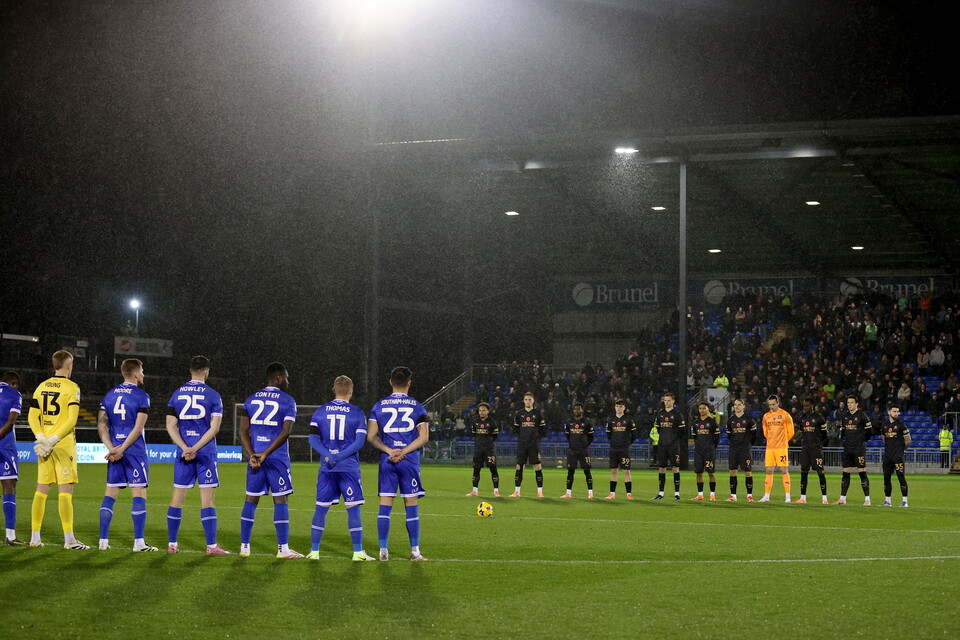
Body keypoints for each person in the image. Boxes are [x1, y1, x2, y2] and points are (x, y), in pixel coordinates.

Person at [308, 375, 376, 561]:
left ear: (333, 390)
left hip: (327, 468)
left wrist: (329, 455)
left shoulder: (320, 412)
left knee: (320, 509)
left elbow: (313, 439)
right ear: (351, 392)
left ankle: (314, 552)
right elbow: (359, 442)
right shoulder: (357, 413)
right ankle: (357, 552)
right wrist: (339, 456)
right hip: (348, 468)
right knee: (353, 509)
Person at [165, 356, 228, 554]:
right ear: (206, 371)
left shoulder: (176, 394)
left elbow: (170, 425)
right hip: (205, 453)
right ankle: (211, 546)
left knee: (177, 497)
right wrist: (197, 448)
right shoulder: (213, 395)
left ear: (190, 370)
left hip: (183, 453)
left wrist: (185, 447)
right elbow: (214, 428)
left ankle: (172, 544)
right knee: (207, 500)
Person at [238, 362, 301, 558]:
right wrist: (265, 454)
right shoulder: (288, 401)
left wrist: (253, 455)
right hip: (277, 458)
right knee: (280, 500)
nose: (288, 382)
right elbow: (286, 432)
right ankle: (283, 549)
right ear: (279, 378)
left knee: (251, 499)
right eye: (287, 377)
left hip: (255, 458)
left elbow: (243, 431)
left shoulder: (250, 400)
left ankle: (244, 548)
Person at [367, 366, 430, 562]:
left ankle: (383, 551)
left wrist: (389, 451)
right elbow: (424, 437)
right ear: (409, 383)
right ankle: (415, 552)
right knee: (411, 507)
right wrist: (403, 451)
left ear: (390, 382)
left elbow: (371, 436)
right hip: (409, 461)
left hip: (388, 460)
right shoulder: (418, 407)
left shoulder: (378, 406)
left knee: (385, 506)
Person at [27, 350, 88, 549]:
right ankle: (69, 540)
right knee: (66, 490)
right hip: (62, 445)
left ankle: (35, 538)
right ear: (68, 365)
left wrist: (41, 438)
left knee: (41, 489)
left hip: (43, 446)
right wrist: (53, 440)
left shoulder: (41, 386)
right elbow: (71, 419)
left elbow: (31, 417)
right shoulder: (72, 387)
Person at [96, 359, 157, 551]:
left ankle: (103, 541)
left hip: (115, 451)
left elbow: (101, 425)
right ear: (136, 374)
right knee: (139, 493)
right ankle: (139, 543)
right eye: (143, 372)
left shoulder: (109, 395)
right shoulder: (142, 396)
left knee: (110, 494)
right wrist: (121, 450)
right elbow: (138, 429)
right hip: (134, 451)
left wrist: (112, 448)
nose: (144, 375)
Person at [835, 396, 875, 506]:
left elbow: (869, 432)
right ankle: (842, 499)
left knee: (862, 473)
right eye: (848, 402)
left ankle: (867, 499)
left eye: (852, 402)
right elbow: (842, 432)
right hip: (848, 448)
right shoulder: (845, 417)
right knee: (845, 473)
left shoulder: (862, 416)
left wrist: (862, 441)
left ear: (857, 404)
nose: (849, 404)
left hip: (859, 449)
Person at [0, 372, 25, 545]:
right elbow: (11, 421)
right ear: (14, 383)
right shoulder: (14, 394)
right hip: (5, 445)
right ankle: (10, 535)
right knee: (9, 486)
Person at [510, 392, 546, 498]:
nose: (528, 401)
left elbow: (543, 429)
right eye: (526, 399)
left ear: (533, 401)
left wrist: (535, 437)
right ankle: (517, 491)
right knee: (519, 466)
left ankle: (540, 492)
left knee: (537, 466)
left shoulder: (538, 413)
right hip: (522, 444)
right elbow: (515, 429)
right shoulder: (519, 414)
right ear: (523, 401)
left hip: (534, 444)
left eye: (530, 399)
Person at [760, 395, 794, 503]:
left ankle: (788, 496)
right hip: (770, 448)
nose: (771, 407)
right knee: (769, 470)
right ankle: (766, 496)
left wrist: (783, 441)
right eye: (769, 405)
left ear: (778, 402)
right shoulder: (766, 416)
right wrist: (771, 440)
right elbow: (765, 431)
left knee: (784, 470)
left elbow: (791, 432)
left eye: (773, 404)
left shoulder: (785, 415)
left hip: (781, 448)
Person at [795, 398, 828, 504]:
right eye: (804, 405)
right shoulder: (801, 418)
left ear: (812, 406)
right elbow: (801, 433)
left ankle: (824, 498)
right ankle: (803, 497)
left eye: (807, 405)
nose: (805, 407)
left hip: (816, 449)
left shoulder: (819, 418)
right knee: (804, 472)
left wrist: (818, 444)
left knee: (820, 472)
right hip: (805, 449)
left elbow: (824, 435)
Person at [653, 392, 685, 500]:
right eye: (665, 400)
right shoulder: (660, 413)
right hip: (662, 445)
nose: (666, 402)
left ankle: (677, 493)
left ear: (673, 401)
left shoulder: (677, 414)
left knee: (675, 468)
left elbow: (682, 431)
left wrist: (673, 439)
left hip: (673, 446)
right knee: (662, 468)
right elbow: (658, 429)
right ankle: (661, 493)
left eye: (669, 400)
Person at [604, 399, 637, 500]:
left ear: (624, 408)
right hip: (614, 449)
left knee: (626, 470)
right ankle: (612, 493)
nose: (619, 408)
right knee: (614, 470)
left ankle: (629, 494)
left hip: (624, 449)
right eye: (617, 406)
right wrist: (614, 443)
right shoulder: (611, 420)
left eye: (621, 406)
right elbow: (608, 435)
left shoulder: (628, 420)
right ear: (615, 407)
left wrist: (626, 444)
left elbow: (634, 435)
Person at [725, 398, 756, 502]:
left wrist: (748, 443)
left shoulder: (749, 420)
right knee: (732, 471)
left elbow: (754, 434)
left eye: (739, 405)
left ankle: (749, 496)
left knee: (747, 472)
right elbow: (729, 435)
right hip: (734, 449)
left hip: (745, 449)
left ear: (743, 406)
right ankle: (733, 495)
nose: (737, 406)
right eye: (735, 405)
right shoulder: (730, 420)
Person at [466, 402, 500, 498]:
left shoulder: (492, 422)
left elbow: (495, 436)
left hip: (489, 450)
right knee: (476, 470)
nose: (481, 412)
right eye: (480, 410)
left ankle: (496, 491)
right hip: (478, 450)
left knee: (493, 469)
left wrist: (487, 443)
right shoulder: (475, 422)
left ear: (488, 411)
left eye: (483, 410)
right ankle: (474, 491)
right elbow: (473, 434)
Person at [561, 402, 594, 498]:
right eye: (575, 409)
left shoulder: (587, 422)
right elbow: (568, 435)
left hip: (583, 451)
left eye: (578, 409)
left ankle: (590, 493)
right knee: (570, 471)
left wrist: (585, 445)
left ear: (582, 410)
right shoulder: (568, 422)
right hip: (572, 451)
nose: (576, 410)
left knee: (587, 471)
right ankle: (568, 493)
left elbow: (591, 436)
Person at [880, 405, 910, 507]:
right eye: (894, 411)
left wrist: (901, 449)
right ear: (889, 412)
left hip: (898, 456)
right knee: (886, 478)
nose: (896, 413)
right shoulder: (884, 425)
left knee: (901, 477)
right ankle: (888, 501)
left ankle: (905, 501)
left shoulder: (901, 425)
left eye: (897, 411)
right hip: (888, 456)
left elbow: (908, 440)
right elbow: (884, 438)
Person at [691, 402, 720, 501]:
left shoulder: (712, 422)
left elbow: (717, 437)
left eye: (704, 408)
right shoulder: (695, 422)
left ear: (708, 409)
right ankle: (700, 495)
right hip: (698, 451)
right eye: (700, 408)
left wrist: (711, 447)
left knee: (711, 473)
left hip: (709, 451)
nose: (702, 410)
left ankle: (712, 495)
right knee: (699, 473)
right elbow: (694, 437)